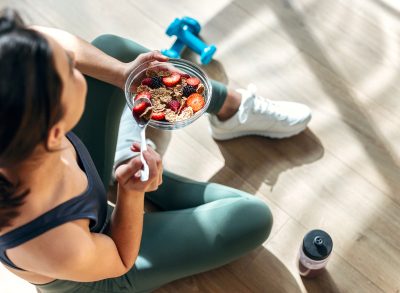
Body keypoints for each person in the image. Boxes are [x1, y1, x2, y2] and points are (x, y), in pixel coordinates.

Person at [0, 7, 310, 292]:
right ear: (57, 132)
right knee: (252, 216)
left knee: (114, 51)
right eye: (70, 71)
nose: (74, 62)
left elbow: (52, 42)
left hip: (75, 185)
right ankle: (126, 171)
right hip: (105, 264)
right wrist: (132, 193)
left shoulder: (21, 134)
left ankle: (227, 109)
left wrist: (123, 73)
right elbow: (120, 257)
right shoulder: (51, 242)